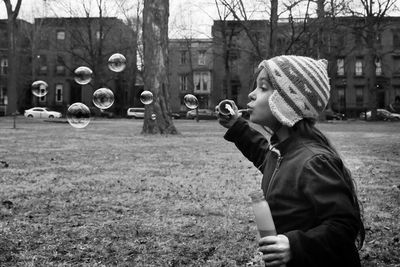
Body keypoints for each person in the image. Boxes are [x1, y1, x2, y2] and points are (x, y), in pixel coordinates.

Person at [216, 55, 365, 267]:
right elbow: (263, 155)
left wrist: (294, 245)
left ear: (286, 104)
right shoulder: (283, 152)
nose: (251, 93)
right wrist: (237, 126)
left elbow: (344, 225)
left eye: (263, 88)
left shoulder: (314, 161)